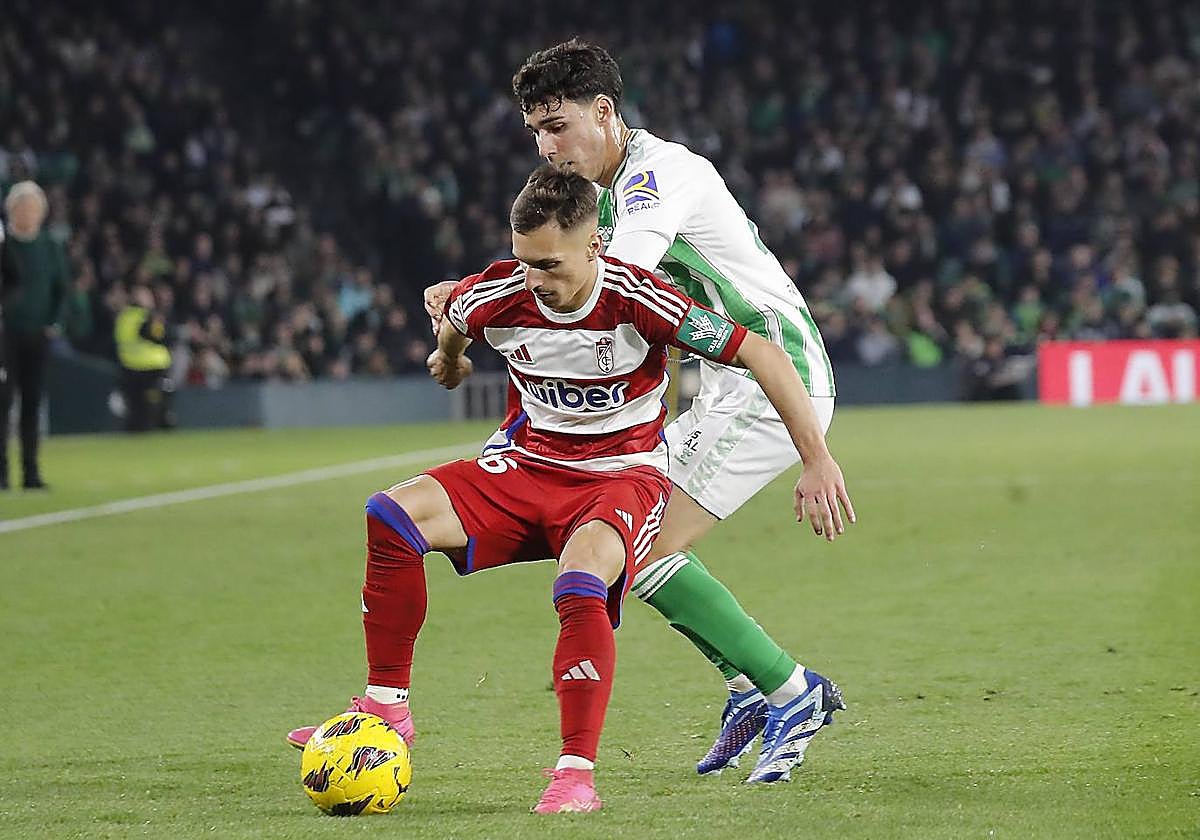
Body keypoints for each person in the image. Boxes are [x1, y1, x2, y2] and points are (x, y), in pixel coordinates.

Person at [289, 165, 850, 812]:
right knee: (390, 514)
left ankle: (575, 774)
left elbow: (763, 353)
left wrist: (817, 458)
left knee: (583, 578)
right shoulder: (499, 292)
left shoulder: (641, 299)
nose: (536, 280)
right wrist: (448, 358)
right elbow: (459, 319)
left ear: (594, 248)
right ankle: (387, 708)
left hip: (621, 478)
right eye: (525, 262)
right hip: (529, 468)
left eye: (551, 266)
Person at [425, 40, 852, 782]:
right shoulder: (599, 190)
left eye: (557, 126)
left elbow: (615, 276)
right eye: (534, 132)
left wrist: (474, 294)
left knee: (634, 546)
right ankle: (753, 685)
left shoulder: (659, 177)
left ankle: (787, 689)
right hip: (722, 383)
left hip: (769, 381)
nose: (546, 147)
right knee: (623, 539)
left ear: (604, 112)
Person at [0, 182, 68, 491]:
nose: (27, 213)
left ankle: (31, 471)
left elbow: (61, 289)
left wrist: (53, 322)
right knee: (3, 402)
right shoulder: (5, 246)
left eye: (33, 208)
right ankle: (1, 473)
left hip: (37, 335)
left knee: (32, 402)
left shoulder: (50, 246)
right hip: (6, 334)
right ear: (11, 211)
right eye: (22, 207)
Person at [114, 284, 175, 432]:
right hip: (152, 367)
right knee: (156, 407)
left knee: (136, 409)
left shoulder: (123, 316)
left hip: (129, 368)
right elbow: (159, 336)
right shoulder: (147, 316)